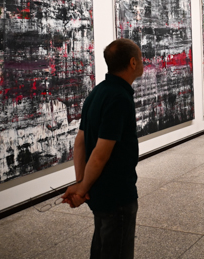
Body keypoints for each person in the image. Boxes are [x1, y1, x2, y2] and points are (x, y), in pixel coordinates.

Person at [61, 39, 144, 259]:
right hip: (117, 195)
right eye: (141, 58)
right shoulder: (119, 98)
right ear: (132, 62)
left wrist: (82, 183)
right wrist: (81, 188)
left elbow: (80, 141)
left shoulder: (97, 92)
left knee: (102, 247)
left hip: (99, 193)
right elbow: (100, 154)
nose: (143, 62)